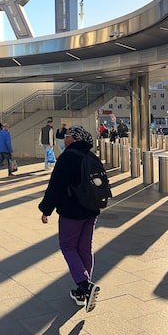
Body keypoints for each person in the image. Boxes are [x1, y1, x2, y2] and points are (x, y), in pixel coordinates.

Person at [39, 125, 101, 311]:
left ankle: (85, 285)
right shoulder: (91, 156)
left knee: (67, 247)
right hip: (91, 210)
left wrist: (46, 209)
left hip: (72, 212)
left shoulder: (67, 157)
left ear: (73, 138)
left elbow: (56, 186)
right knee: (84, 248)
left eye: (66, 136)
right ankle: (83, 292)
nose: (64, 139)